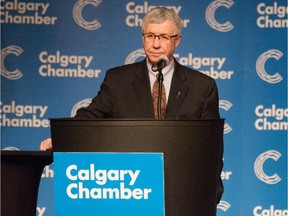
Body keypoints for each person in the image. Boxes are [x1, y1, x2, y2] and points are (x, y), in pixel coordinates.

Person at [40, 6, 224, 202]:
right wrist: (62, 138)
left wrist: (212, 193)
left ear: (177, 40)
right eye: (150, 35)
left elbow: (212, 147)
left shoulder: (202, 87)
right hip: (131, 191)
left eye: (163, 37)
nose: (155, 44)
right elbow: (90, 117)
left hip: (182, 193)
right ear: (142, 38)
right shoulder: (118, 80)